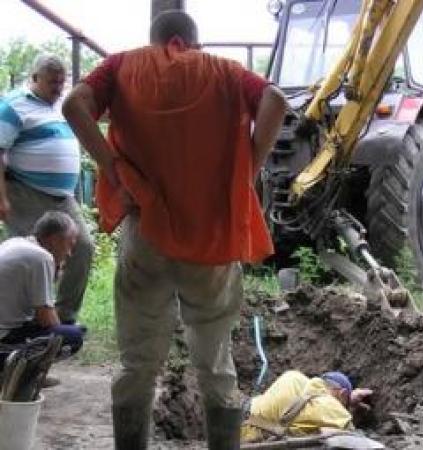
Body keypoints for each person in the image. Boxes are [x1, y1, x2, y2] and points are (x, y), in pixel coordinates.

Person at [62, 10, 287, 450]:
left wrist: (114, 171)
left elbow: (74, 105)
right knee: (215, 363)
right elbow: (275, 100)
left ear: (155, 40)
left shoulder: (123, 66)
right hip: (211, 239)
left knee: (136, 363)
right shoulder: (224, 71)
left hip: (146, 233)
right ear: (193, 43)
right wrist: (250, 170)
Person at [0, 54, 94, 325]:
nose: (57, 88)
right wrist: (2, 197)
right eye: (52, 83)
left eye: (61, 83)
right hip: (25, 193)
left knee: (83, 247)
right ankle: (25, 320)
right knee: (35, 254)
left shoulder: (59, 107)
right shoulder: (14, 105)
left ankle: (62, 318)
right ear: (35, 78)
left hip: (62, 198)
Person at [0, 211, 85, 365]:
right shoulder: (41, 257)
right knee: (73, 336)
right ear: (54, 240)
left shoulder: (16, 243)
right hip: (4, 338)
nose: (70, 253)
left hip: (7, 328)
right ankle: (24, 372)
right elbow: (47, 319)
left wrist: (55, 272)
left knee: (66, 330)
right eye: (70, 244)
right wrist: (63, 330)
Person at [241, 370, 373, 443]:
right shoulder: (330, 405)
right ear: (342, 393)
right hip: (247, 439)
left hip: (236, 418)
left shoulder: (294, 377)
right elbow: (352, 437)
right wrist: (350, 410)